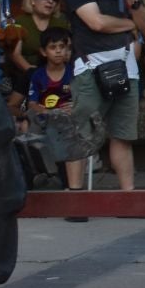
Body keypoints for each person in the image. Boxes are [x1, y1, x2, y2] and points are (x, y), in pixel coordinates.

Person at [64, 0, 145, 191]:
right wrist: (129, 24)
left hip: (127, 66)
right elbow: (97, 23)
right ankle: (75, 196)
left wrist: (131, 0)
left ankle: (128, 196)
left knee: (123, 136)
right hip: (92, 65)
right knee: (82, 133)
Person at [24, 29, 87, 195]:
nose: (58, 51)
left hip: (68, 119)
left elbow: (83, 99)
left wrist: (74, 106)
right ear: (44, 52)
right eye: (53, 47)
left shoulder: (74, 72)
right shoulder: (38, 75)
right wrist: (45, 111)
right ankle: (39, 175)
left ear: (68, 50)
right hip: (45, 118)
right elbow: (32, 103)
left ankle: (67, 182)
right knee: (28, 127)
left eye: (62, 47)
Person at [8, 0, 68, 75]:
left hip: (57, 75)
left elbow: (67, 53)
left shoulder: (61, 23)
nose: (51, 1)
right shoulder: (19, 23)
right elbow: (15, 55)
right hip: (25, 76)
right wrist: (31, 71)